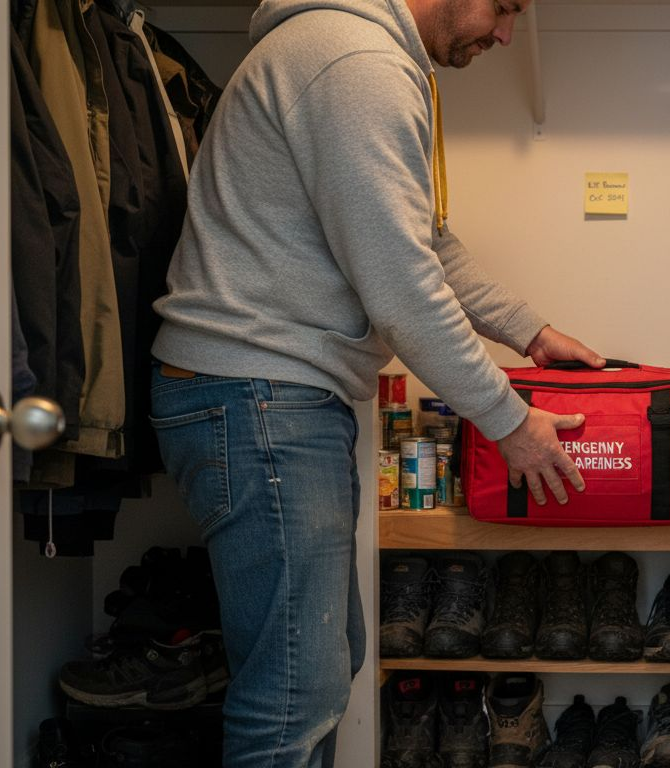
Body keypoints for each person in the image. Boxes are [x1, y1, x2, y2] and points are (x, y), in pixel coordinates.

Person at [148, 0, 599, 764]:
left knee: (321, 672)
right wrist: (508, 418)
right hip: (260, 396)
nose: (505, 35)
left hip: (270, 394)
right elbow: (401, 284)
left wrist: (531, 331)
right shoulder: (357, 64)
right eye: (504, 8)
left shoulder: (360, 55)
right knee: (295, 694)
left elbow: (420, 238)